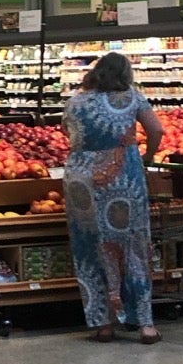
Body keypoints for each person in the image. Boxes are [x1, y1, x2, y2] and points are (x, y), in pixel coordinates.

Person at [62, 51, 164, 344]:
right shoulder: (132, 98)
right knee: (132, 245)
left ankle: (104, 324)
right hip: (122, 176)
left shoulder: (75, 101)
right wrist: (148, 155)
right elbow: (156, 129)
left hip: (81, 180)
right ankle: (144, 324)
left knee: (90, 248)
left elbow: (67, 132)